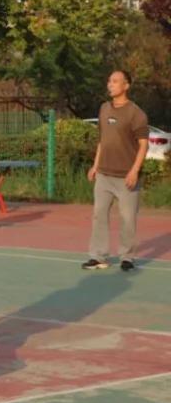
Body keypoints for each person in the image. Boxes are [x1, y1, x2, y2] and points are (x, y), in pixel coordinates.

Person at [83, 70, 149, 272]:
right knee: (99, 215)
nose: (110, 85)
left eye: (115, 81)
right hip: (104, 174)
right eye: (109, 81)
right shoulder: (104, 108)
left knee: (128, 219)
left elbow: (143, 145)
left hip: (126, 177)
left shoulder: (136, 113)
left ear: (126, 86)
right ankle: (98, 256)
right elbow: (102, 141)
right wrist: (95, 165)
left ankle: (127, 257)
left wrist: (134, 171)